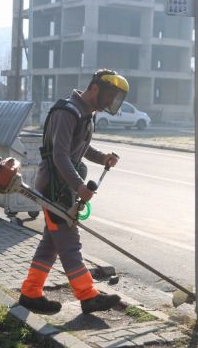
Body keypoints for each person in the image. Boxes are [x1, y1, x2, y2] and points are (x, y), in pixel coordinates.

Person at [18, 69, 129, 315]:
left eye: (115, 99)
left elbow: (81, 146)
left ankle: (30, 292)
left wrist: (103, 158)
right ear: (95, 88)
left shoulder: (84, 113)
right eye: (109, 96)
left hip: (63, 187)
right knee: (69, 244)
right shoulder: (67, 111)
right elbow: (60, 155)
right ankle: (88, 295)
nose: (111, 103)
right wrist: (80, 185)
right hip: (55, 189)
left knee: (51, 243)